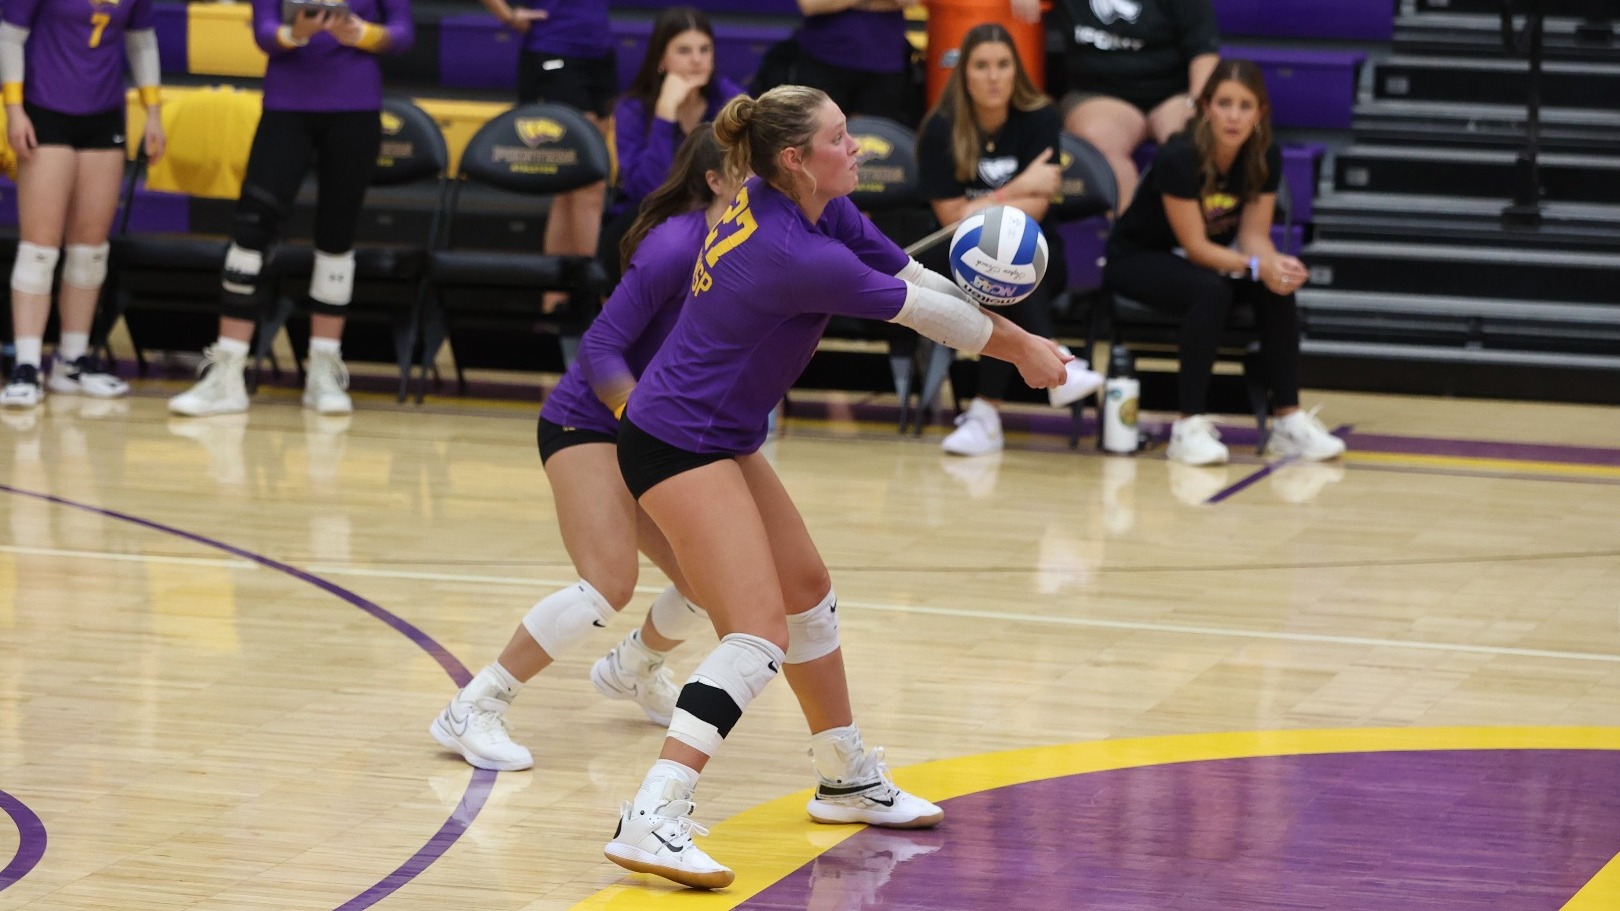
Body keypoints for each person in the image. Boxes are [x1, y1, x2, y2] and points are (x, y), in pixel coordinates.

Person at [600, 85, 1069, 891]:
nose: (857, 148)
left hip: (716, 432)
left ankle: (844, 775)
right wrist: (1026, 353)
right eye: (841, 138)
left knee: (807, 591)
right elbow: (931, 317)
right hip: (675, 440)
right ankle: (654, 812)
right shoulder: (795, 254)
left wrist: (1026, 337)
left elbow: (911, 271)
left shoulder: (807, 205)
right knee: (756, 633)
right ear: (796, 158)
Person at [428, 128, 734, 772]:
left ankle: (635, 668)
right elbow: (599, 348)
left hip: (654, 432)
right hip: (588, 422)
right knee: (608, 582)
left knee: (707, 577)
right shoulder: (675, 246)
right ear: (718, 179)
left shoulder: (750, 248)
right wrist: (635, 414)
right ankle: (475, 705)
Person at [166, 0, 413, 418]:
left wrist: (362, 33)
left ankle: (323, 369)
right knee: (250, 232)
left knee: (336, 237)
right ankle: (227, 372)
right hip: (287, 107)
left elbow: (403, 33)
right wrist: (296, 33)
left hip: (355, 107)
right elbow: (264, 32)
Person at [1103, 58, 1345, 466]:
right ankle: (1188, 427)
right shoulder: (1179, 156)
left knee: (1274, 287)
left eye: (1245, 106)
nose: (1234, 116)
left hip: (1200, 262)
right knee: (1211, 290)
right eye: (1224, 104)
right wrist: (1254, 266)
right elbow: (1196, 246)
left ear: (1260, 113)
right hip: (1138, 259)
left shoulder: (1264, 155)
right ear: (1206, 108)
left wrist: (1274, 264)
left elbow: (1252, 236)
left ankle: (1288, 419)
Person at [917, 23, 1098, 457]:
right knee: (989, 265)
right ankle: (1051, 364)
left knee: (1004, 263)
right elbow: (953, 219)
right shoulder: (940, 129)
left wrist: (994, 203)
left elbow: (1036, 208)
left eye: (1003, 65)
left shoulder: (1040, 117)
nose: (994, 77)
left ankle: (986, 417)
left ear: (1017, 71)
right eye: (981, 66)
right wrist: (1015, 188)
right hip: (956, 257)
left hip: (1039, 256)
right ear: (964, 74)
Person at [0, 0, 165, 409]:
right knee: (40, 247)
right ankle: (25, 365)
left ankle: (71, 361)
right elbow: (9, 37)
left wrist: (154, 112)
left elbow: (141, 41)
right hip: (44, 109)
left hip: (105, 114)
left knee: (90, 249)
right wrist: (14, 110)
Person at [474, 0, 614, 319]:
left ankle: (554, 305)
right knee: (589, 184)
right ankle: (590, 303)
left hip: (599, 49)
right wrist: (506, 14)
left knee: (570, 189)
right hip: (554, 50)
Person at [600, 6, 745, 282]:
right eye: (684, 51)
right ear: (661, 58)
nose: (697, 60)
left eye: (705, 50)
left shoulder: (731, 102)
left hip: (716, 215)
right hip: (648, 218)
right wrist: (665, 114)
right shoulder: (632, 109)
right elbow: (648, 190)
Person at [1051, 0, 1221, 214]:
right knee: (1099, 140)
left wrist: (1196, 105)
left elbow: (1204, 53)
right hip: (1097, 94)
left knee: (1190, 141)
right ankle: (1126, 237)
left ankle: (1191, 240)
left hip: (1172, 96)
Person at [791, 0, 917, 125]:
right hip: (824, 58)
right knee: (819, 135)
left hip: (884, 62)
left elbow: (909, 1)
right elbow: (811, 5)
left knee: (872, 140)